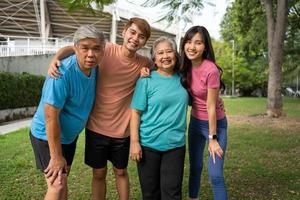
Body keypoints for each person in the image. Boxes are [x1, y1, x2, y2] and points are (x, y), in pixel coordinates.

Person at [48, 17, 152, 200]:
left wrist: (147, 73)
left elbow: (164, 68)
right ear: (124, 32)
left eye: (142, 36)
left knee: (121, 172)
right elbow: (74, 48)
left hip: (123, 130)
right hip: (96, 127)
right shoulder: (104, 50)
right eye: (133, 32)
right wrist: (56, 57)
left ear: (145, 41)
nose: (135, 38)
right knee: (98, 173)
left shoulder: (144, 63)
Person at [30, 25, 105, 200]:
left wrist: (57, 54)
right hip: (46, 135)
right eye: (84, 48)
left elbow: (72, 48)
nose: (90, 54)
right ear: (77, 48)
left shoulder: (94, 67)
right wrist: (56, 156)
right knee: (57, 185)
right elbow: (50, 117)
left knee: (63, 180)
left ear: (103, 50)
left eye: (96, 49)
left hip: (68, 137)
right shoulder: (61, 73)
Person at [130, 36, 189, 200]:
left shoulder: (184, 79)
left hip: (175, 145)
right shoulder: (146, 81)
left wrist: (217, 102)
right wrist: (134, 143)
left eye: (169, 51)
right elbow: (135, 112)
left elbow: (201, 95)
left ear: (176, 55)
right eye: (160, 53)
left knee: (172, 194)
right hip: (148, 145)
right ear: (154, 59)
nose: (165, 56)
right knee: (150, 194)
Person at [180, 26, 228, 200]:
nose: (192, 47)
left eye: (198, 43)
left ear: (205, 47)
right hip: (195, 123)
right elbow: (162, 64)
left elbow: (211, 107)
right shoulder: (183, 65)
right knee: (195, 167)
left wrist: (213, 139)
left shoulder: (211, 70)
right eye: (189, 41)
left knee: (215, 174)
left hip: (215, 125)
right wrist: (146, 70)